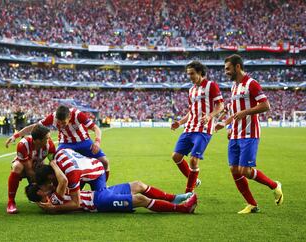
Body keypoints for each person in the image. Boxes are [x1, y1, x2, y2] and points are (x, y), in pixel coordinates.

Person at [215, 54, 283, 214]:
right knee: (234, 169)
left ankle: (274, 185)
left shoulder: (251, 84)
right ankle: (252, 204)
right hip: (235, 134)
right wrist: (225, 124)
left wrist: (246, 111)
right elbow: (234, 111)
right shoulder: (234, 87)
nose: (226, 72)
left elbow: (266, 105)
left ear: (237, 67)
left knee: (245, 170)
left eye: (228, 69)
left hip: (249, 133)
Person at [26, 161, 197, 214]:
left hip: (100, 193)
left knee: (138, 185)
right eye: (42, 186)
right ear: (40, 193)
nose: (47, 185)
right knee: (141, 200)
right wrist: (54, 164)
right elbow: (63, 181)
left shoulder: (50, 202)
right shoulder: (52, 200)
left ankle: (174, 198)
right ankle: (182, 208)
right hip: (100, 202)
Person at [5, 105, 110, 180]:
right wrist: (15, 136)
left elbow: (96, 128)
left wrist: (97, 142)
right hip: (65, 144)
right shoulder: (53, 117)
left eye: (63, 122)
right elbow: (34, 127)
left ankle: (103, 186)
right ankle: (58, 191)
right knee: (56, 165)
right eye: (59, 123)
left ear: (69, 117)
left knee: (105, 162)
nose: (61, 125)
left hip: (84, 141)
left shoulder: (78, 115)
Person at [171, 61, 224, 193]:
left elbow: (220, 106)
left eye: (192, 73)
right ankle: (194, 179)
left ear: (200, 72)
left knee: (193, 161)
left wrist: (209, 116)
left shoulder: (211, 86)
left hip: (203, 130)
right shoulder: (191, 90)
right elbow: (191, 112)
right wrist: (180, 123)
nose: (190, 76)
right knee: (176, 157)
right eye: (188, 74)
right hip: (189, 128)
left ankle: (189, 193)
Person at [6, 124, 56, 214]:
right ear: (37, 141)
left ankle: (53, 196)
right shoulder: (23, 144)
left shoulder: (50, 145)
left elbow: (52, 162)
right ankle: (11, 201)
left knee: (52, 170)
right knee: (17, 167)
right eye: (46, 138)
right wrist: (36, 186)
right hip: (25, 167)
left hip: (38, 165)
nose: (49, 140)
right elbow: (29, 169)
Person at [35, 148, 107, 208]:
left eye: (46, 184)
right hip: (81, 169)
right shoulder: (58, 153)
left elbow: (76, 204)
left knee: (101, 201)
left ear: (50, 177)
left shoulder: (71, 173)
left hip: (97, 171)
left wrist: (55, 208)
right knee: (67, 194)